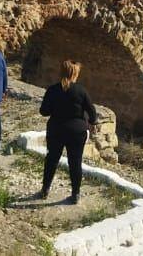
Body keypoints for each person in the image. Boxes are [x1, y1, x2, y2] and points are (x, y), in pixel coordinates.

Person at [37, 59, 98, 205]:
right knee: (75, 162)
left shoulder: (52, 90)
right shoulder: (81, 91)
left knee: (52, 159)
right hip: (77, 131)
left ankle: (45, 189)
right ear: (75, 74)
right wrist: (92, 122)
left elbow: (44, 111)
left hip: (56, 129)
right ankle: (75, 193)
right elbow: (92, 111)